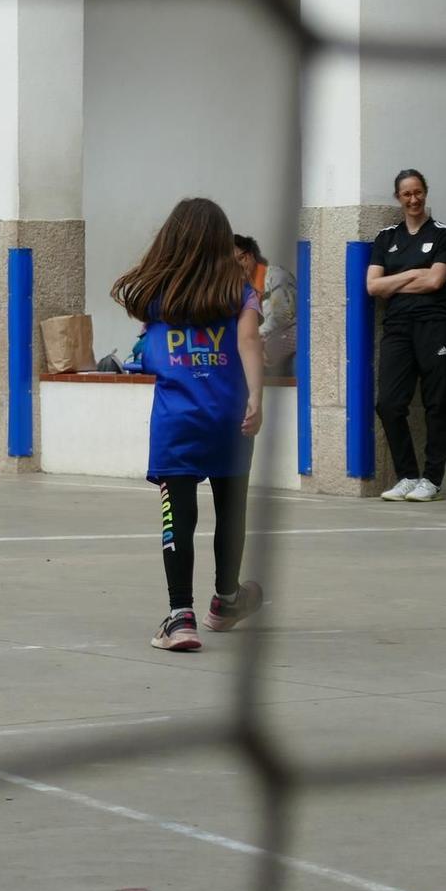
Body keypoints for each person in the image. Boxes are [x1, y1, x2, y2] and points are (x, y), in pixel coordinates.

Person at [112, 198, 265, 652]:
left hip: (176, 422)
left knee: (178, 516)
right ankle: (227, 598)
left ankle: (181, 617)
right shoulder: (241, 292)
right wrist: (256, 397)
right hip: (229, 418)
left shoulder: (154, 295)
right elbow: (250, 341)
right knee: (231, 512)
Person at [367, 170, 446, 502]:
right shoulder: (386, 237)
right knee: (388, 403)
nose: (414, 199)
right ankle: (407, 475)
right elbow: (373, 286)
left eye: (418, 192)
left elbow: (435, 282)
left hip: (435, 324)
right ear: (398, 198)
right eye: (407, 194)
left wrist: (396, 281)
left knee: (436, 403)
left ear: (425, 193)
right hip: (397, 328)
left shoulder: (442, 233)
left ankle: (431, 479)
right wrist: (413, 273)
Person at [234, 235, 297, 377]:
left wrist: (251, 338)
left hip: (289, 336)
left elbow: (281, 318)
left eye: (232, 263)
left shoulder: (276, 277)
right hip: (265, 343)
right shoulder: (242, 288)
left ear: (247, 257)